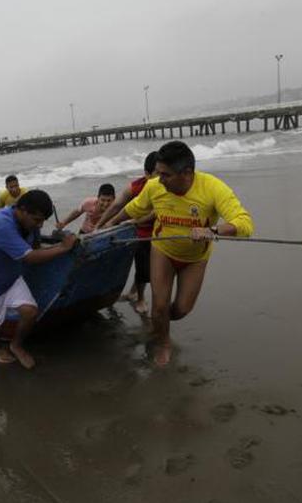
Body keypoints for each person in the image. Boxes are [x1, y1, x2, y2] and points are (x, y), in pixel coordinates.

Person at [106, 141, 253, 366]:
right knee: (160, 307)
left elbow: (244, 224)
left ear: (186, 173)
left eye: (166, 175)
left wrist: (212, 230)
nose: (159, 180)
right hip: (162, 251)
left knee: (180, 310)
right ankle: (163, 342)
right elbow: (132, 209)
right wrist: (109, 225)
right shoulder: (155, 187)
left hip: (195, 258)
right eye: (158, 173)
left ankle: (159, 323)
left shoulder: (213, 188)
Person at [0, 190, 77, 369]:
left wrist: (55, 241)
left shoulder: (29, 224)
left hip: (9, 276)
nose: (39, 225)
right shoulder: (1, 223)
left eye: (42, 221)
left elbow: (36, 247)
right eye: (37, 220)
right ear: (22, 210)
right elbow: (30, 257)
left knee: (30, 311)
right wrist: (62, 248)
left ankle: (16, 345)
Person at [97, 151, 158, 314]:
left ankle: (136, 295)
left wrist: (134, 221)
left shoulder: (167, 186)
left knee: (147, 267)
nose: (163, 178)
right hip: (138, 230)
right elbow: (116, 206)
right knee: (141, 264)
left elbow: (156, 213)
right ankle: (137, 295)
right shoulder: (136, 186)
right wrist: (99, 225)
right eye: (158, 174)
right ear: (147, 174)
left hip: (158, 229)